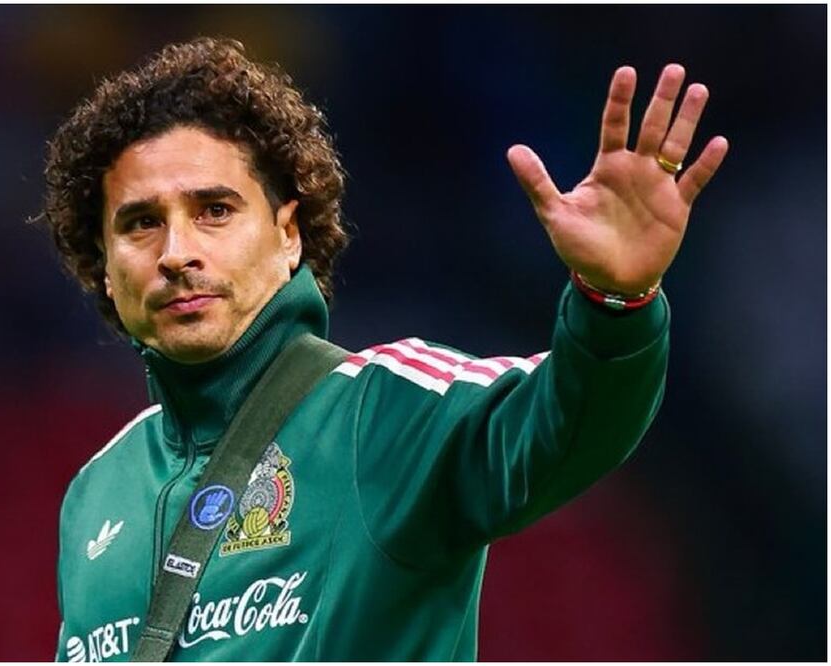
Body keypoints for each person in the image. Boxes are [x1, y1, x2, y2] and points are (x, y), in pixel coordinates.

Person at [38, 37, 727, 661]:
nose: (176, 252)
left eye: (214, 210)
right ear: (103, 264)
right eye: (140, 224)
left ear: (289, 236)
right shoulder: (98, 489)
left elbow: (568, 422)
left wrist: (613, 300)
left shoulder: (386, 407)